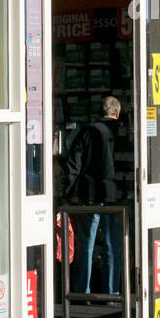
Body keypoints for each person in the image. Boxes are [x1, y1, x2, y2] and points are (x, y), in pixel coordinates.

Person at [63, 96, 124, 296]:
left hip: (89, 194)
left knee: (86, 244)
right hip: (113, 195)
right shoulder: (121, 132)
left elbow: (74, 163)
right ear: (117, 113)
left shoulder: (87, 131)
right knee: (111, 245)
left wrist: (66, 192)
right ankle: (112, 293)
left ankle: (82, 292)